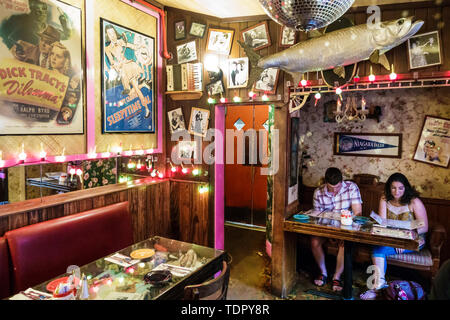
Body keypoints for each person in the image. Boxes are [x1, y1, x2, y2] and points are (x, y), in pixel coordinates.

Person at [360, 172, 428, 300]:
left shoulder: (414, 202)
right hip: (392, 238)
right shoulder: (385, 198)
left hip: (413, 240)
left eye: (400, 188)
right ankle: (378, 287)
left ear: (405, 188)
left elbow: (424, 227)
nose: (397, 192)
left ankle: (376, 289)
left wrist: (403, 240)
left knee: (378, 249)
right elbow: (383, 223)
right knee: (377, 247)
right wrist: (394, 240)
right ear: (389, 188)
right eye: (393, 188)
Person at [311, 167, 362, 292]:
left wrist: (341, 232)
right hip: (325, 228)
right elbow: (317, 218)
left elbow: (358, 213)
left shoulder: (351, 187)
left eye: (337, 187)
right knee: (314, 242)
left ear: (342, 181)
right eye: (330, 187)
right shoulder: (318, 192)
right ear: (325, 182)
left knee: (344, 244)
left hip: (346, 228)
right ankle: (323, 273)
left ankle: (337, 277)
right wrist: (329, 234)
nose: (334, 191)